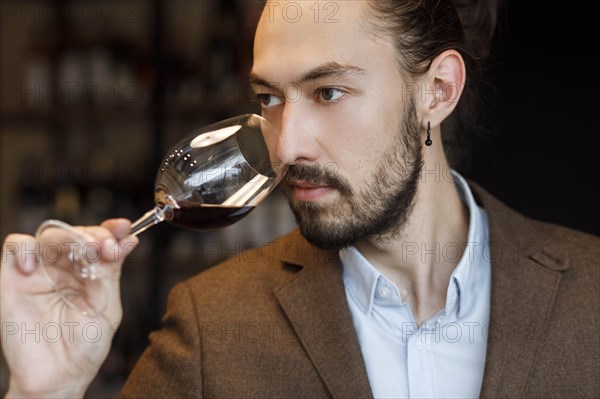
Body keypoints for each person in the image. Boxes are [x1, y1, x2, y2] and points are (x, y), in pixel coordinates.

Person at [2, 1, 599, 398]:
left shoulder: (590, 296)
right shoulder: (211, 328)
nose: (286, 144)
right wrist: (43, 390)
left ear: (437, 91)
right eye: (269, 98)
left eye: (329, 91)